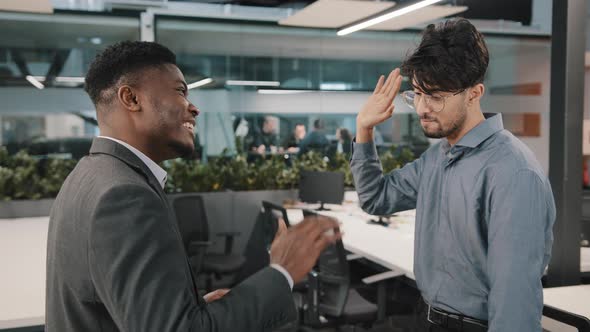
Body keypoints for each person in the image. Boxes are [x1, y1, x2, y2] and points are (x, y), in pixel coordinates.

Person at [46, 41, 341, 332]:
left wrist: (192, 307)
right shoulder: (125, 195)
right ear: (131, 99)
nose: (194, 108)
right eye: (180, 91)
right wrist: (283, 271)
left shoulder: (87, 176)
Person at [350, 19, 555, 332]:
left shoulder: (513, 172)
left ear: (474, 93)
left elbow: (514, 303)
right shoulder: (438, 157)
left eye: (435, 96)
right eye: (417, 93)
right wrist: (364, 128)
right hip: (429, 318)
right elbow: (375, 198)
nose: (421, 108)